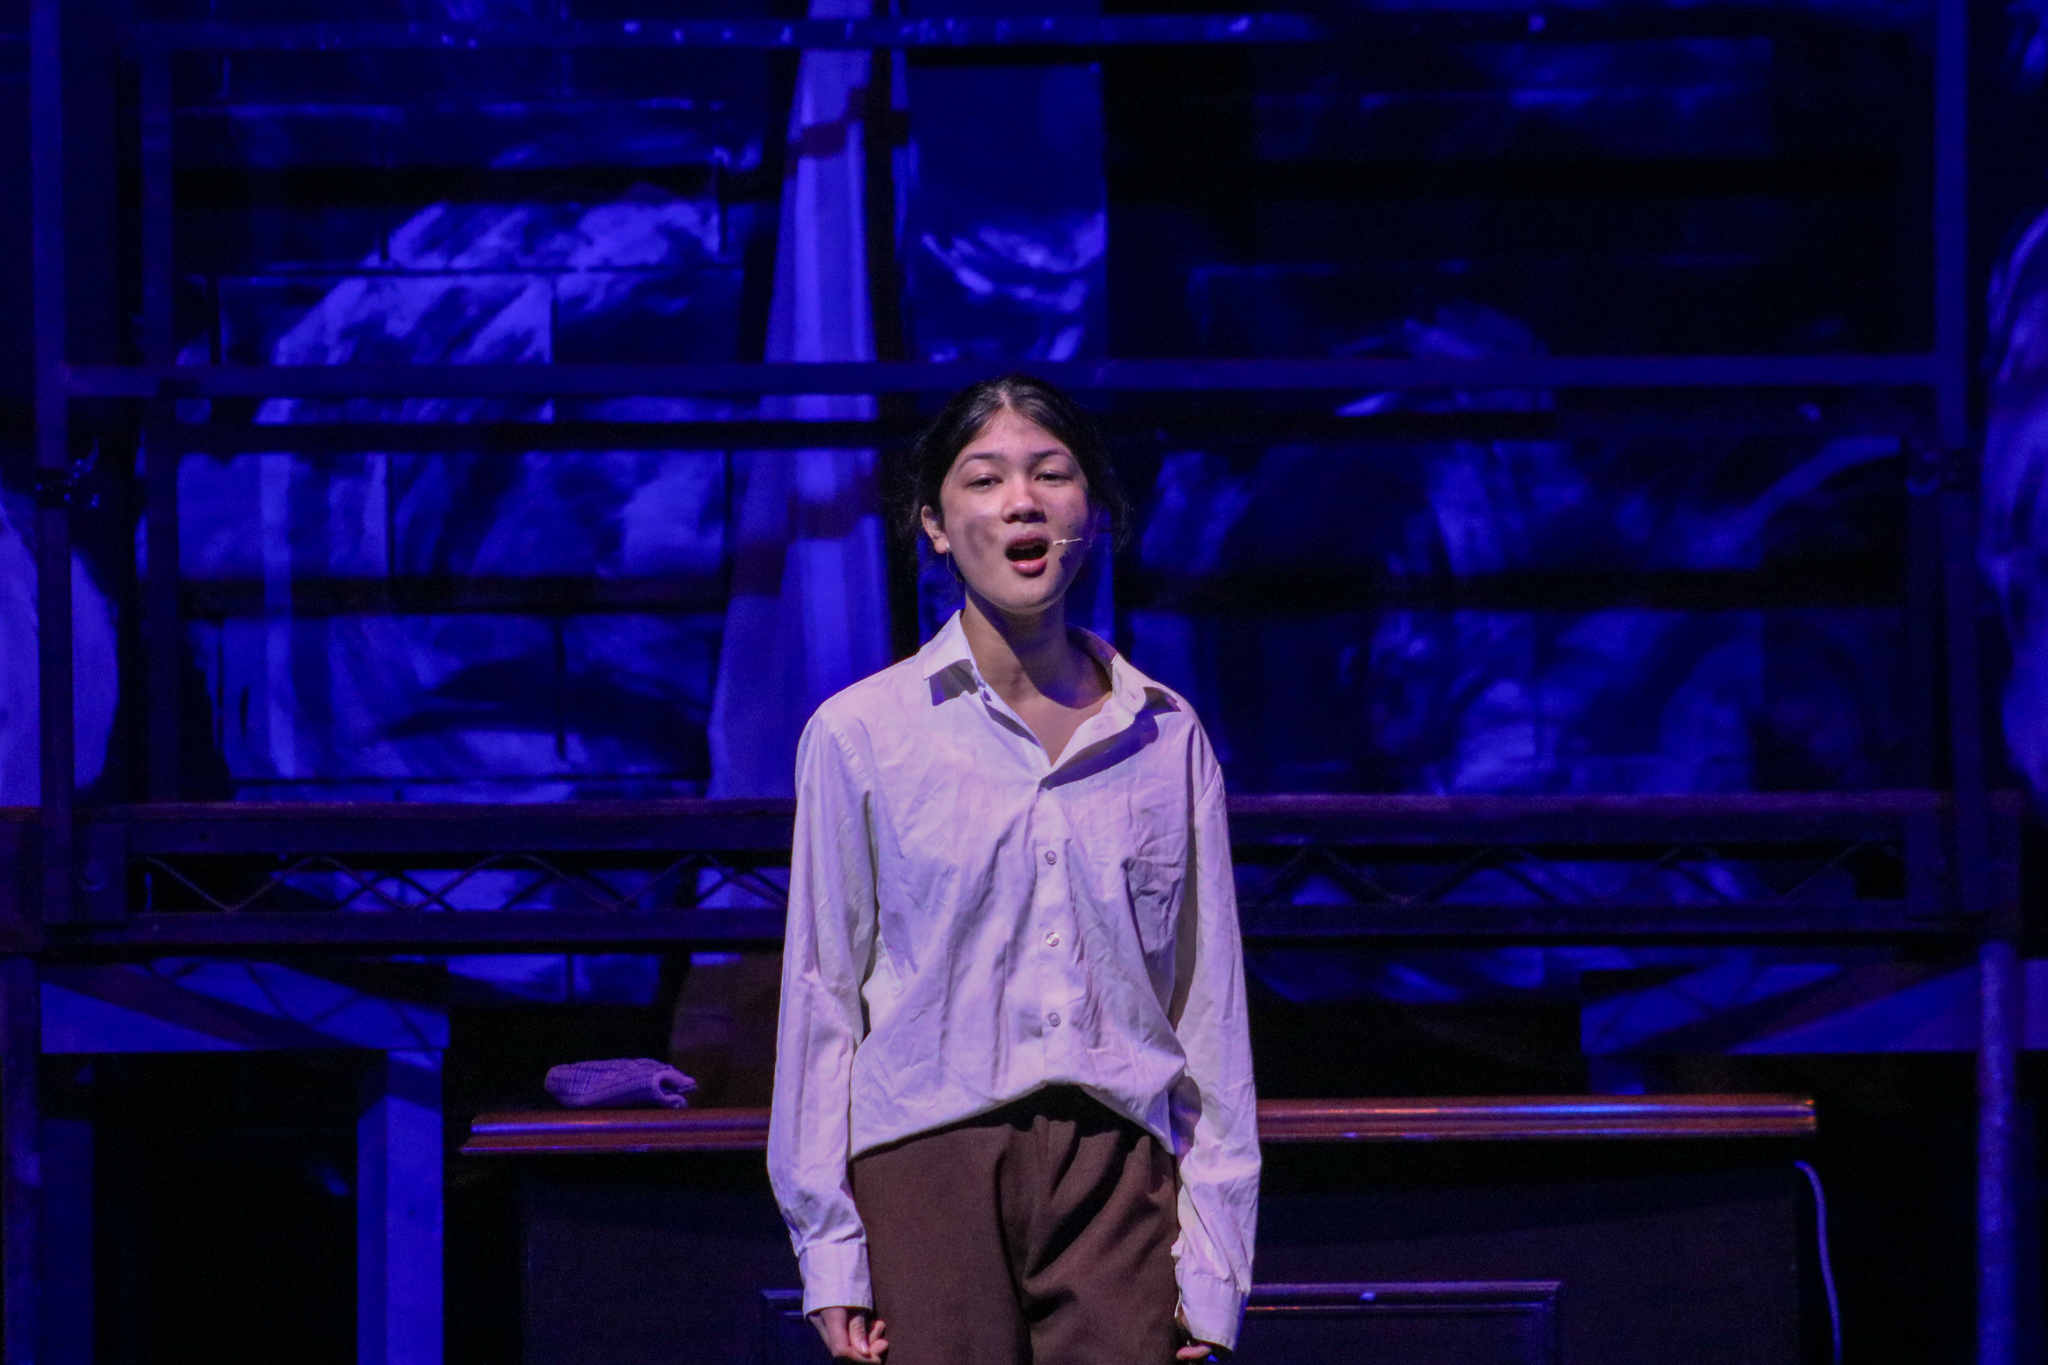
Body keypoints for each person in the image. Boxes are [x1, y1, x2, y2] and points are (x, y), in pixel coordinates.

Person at [767, 375, 1260, 1365]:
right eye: (985, 479)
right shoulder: (863, 734)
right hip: (927, 1160)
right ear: (935, 524)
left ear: (1094, 510)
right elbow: (821, 997)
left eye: (1051, 473)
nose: (1021, 502)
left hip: (1116, 1169)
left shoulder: (1163, 735)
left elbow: (1207, 1010)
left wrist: (1216, 1262)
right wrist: (831, 1251)